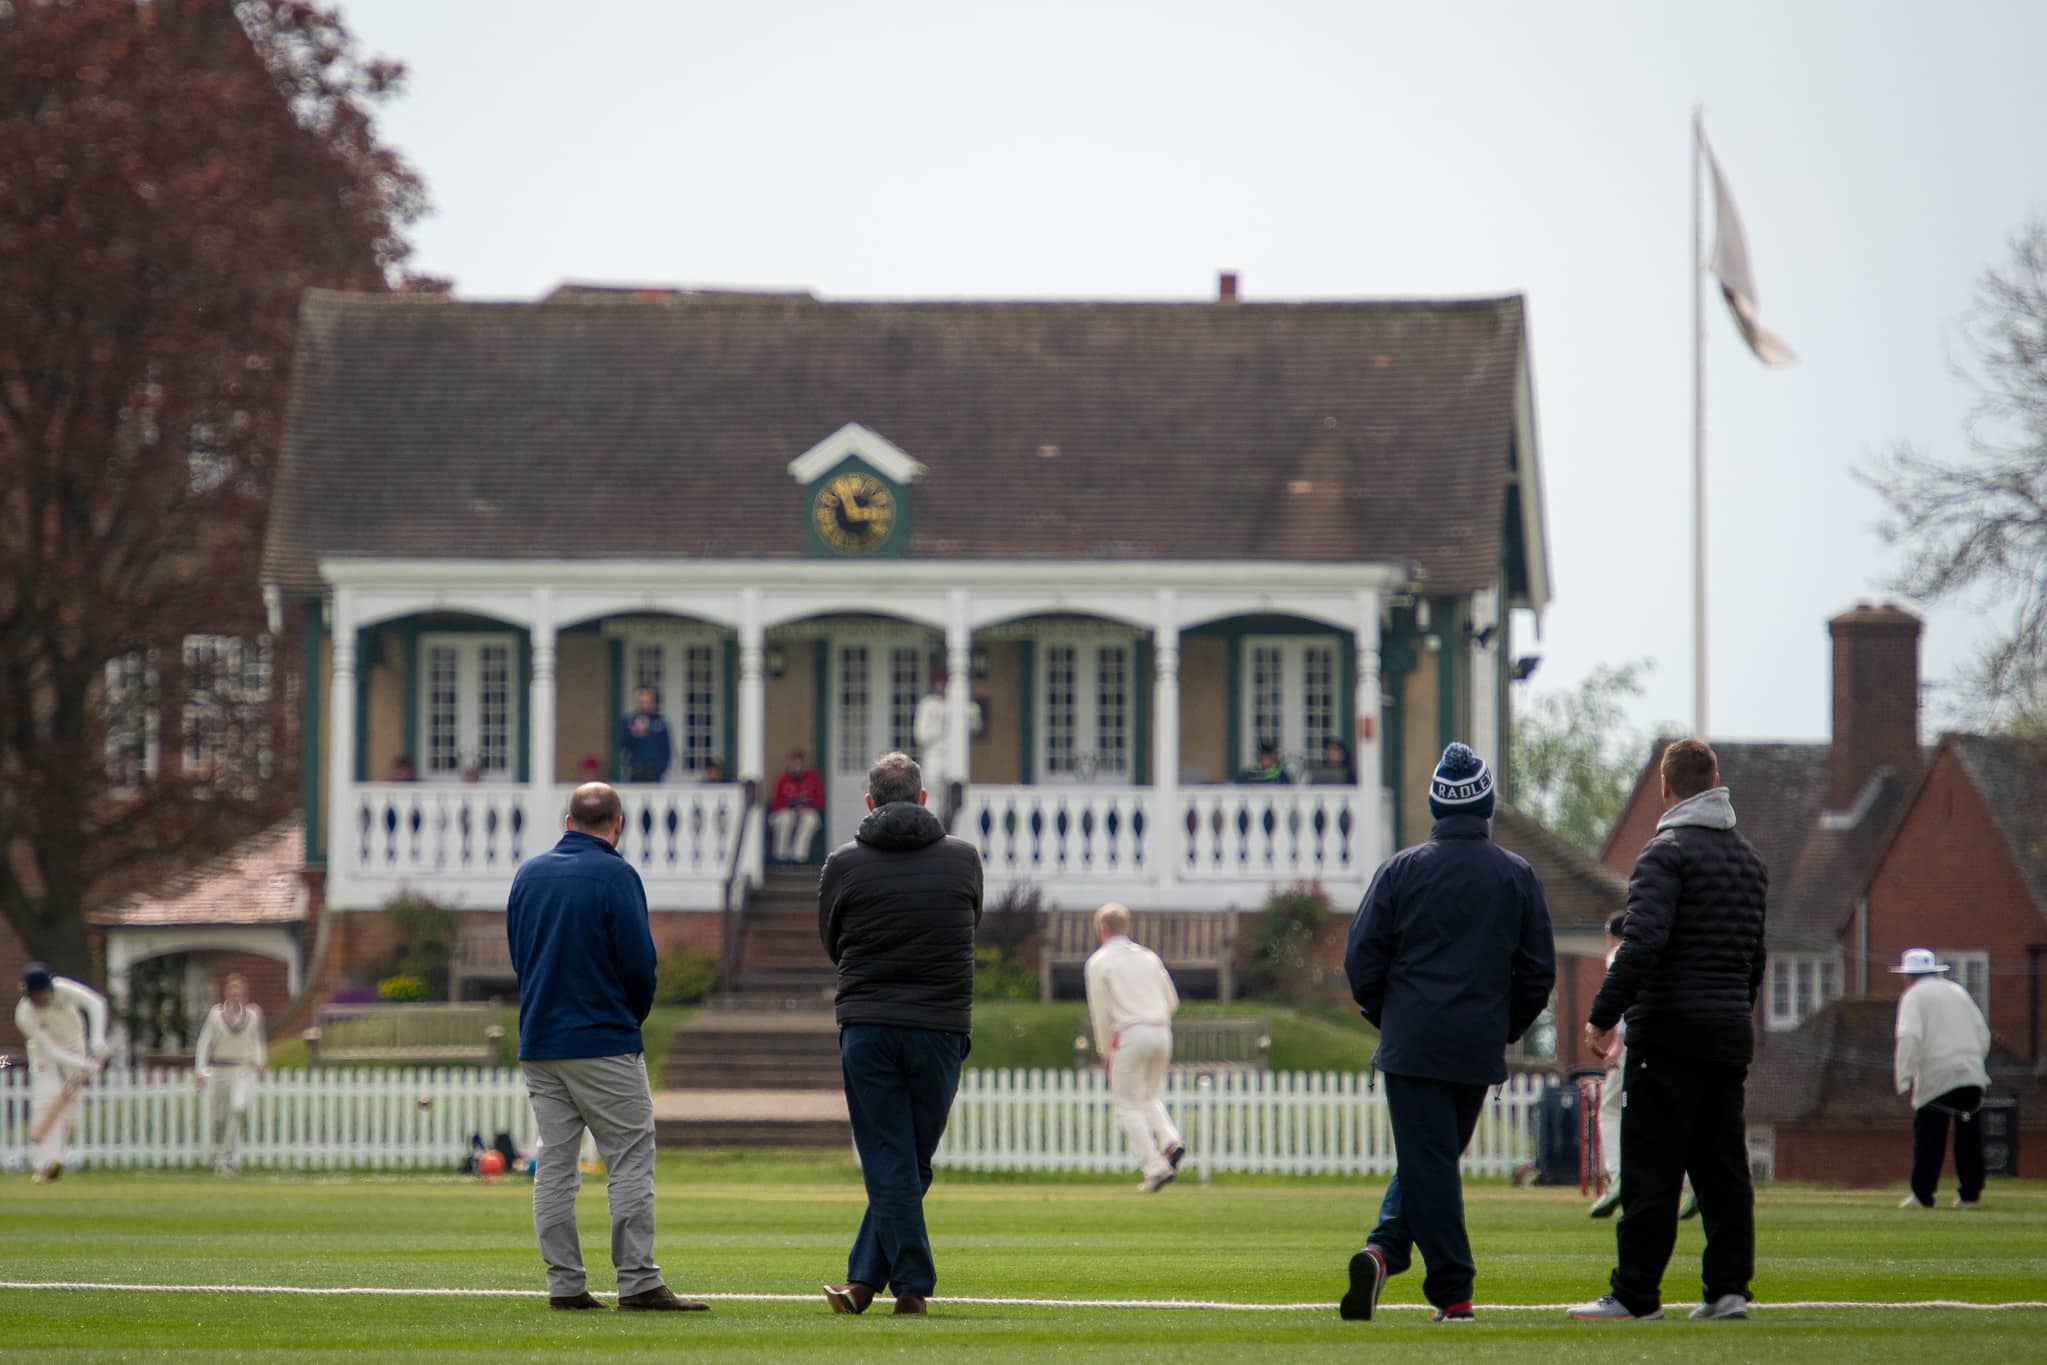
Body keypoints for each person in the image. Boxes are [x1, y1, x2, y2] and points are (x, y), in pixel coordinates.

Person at [1341, 743, 1555, 1325]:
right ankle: (1387, 1251)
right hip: (1477, 1042)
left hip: (1411, 1040)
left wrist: (1384, 1013)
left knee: (1428, 1159)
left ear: (1437, 805)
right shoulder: (1517, 875)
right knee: (1432, 1159)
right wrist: (1506, 1027)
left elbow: (1362, 958)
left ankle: (1448, 1288)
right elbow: (1538, 971)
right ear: (1484, 805)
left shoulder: (1400, 869)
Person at [1570, 738, 1767, 1325]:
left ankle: (1635, 1294)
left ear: (1665, 786)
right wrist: (1734, 1009)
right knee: (1722, 1168)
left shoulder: (1665, 853)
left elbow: (1645, 941)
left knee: (1651, 1169)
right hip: (1727, 1031)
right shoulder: (1750, 861)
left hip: (1669, 1034)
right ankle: (1728, 1289)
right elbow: (1756, 957)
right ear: (1715, 781)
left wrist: (1604, 1014)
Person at [507, 781, 707, 1313]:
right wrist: (631, 1016)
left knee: (555, 1164)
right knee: (629, 1160)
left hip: (541, 1039)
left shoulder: (529, 874)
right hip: (601, 1037)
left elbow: (520, 955)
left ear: (567, 821)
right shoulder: (616, 874)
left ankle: (565, 1283)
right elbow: (639, 962)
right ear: (617, 826)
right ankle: (638, 1280)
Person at [818, 752, 982, 1317]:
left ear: (869, 803)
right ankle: (892, 1285)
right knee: (909, 1159)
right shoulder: (964, 860)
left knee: (894, 1159)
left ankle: (887, 1281)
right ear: (922, 798)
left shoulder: (843, 864)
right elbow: (969, 924)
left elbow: (831, 941)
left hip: (868, 1023)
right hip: (940, 1026)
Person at [1084, 902, 1186, 1192]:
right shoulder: (1148, 957)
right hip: (1162, 1031)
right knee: (1148, 1096)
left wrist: (1106, 1051)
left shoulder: (1099, 962)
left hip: (1130, 1033)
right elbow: (1173, 1001)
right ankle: (1170, 1141)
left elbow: (1101, 1013)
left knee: (1127, 1104)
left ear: (1100, 929)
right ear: (1124, 927)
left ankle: (1154, 1166)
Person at [1891, 948, 1993, 1210]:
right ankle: (1970, 1195)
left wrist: (1904, 1076)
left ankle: (1923, 1195)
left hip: (1937, 1078)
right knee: (1969, 1136)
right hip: (1971, 1075)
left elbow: (1910, 1037)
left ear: (1909, 976)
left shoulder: (1913, 997)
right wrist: (1975, 1062)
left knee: (1930, 1137)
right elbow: (1982, 1032)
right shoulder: (1957, 992)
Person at [14, 963, 111, 1184]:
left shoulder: (62, 989)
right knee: (46, 1098)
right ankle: (45, 1164)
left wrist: (97, 1038)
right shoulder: (24, 1015)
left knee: (70, 1109)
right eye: (36, 994)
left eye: (44, 991)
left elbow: (95, 1003)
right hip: (44, 1054)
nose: (42, 997)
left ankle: (55, 1159)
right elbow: (50, 1050)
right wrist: (83, 1064)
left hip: (74, 1045)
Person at [193, 972, 268, 1176]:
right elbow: (204, 1043)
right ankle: (225, 1158)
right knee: (220, 1119)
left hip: (242, 1070)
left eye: (239, 990)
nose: (235, 994)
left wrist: (261, 1062)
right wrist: (200, 1071)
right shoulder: (216, 1015)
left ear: (244, 993)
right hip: (219, 1070)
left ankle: (224, 1159)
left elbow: (258, 1041)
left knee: (237, 1109)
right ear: (226, 992)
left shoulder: (253, 1015)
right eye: (232, 989)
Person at [769, 749, 826, 863]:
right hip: (785, 812)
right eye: (794, 764)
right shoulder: (783, 779)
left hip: (807, 811)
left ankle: (799, 856)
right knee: (786, 818)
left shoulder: (813, 778)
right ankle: (781, 856)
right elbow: (775, 803)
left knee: (810, 819)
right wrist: (792, 809)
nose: (797, 767)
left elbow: (819, 800)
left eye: (799, 764)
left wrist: (805, 808)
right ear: (789, 765)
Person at [618, 686, 673, 784]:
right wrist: (635, 734)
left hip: (655, 770)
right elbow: (623, 743)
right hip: (636, 769)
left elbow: (666, 747)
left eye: (648, 700)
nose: (645, 703)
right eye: (642, 700)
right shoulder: (630, 720)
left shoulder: (659, 721)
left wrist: (662, 767)